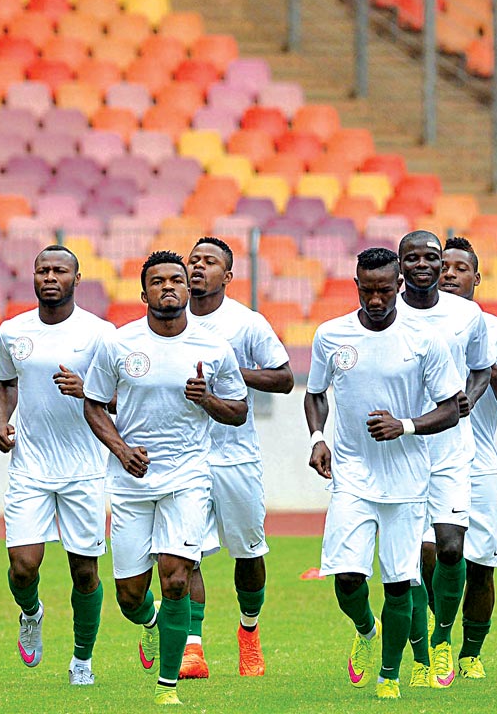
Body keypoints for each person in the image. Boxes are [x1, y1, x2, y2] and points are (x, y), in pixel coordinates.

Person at [83, 251, 248, 706]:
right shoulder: (119, 343)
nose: (169, 286)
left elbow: (239, 411)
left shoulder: (212, 347)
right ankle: (151, 625)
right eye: (158, 281)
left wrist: (208, 400)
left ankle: (168, 688)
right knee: (130, 596)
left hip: (188, 478)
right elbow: (94, 403)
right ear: (144, 293)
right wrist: (120, 450)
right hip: (131, 483)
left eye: (176, 279)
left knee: (176, 578)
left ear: (186, 288)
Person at [304, 247, 464, 700]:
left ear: (398, 287)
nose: (376, 300)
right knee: (348, 580)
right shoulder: (331, 335)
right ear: (356, 286)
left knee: (398, 583)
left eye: (383, 290)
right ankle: (365, 629)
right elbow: (315, 394)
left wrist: (405, 426)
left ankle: (389, 677)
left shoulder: (423, 339)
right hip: (352, 475)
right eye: (367, 290)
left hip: (409, 479)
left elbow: (451, 408)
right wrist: (318, 438)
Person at [0, 245, 114, 685]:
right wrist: (1, 422)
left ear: (76, 279)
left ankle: (82, 658)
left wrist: (87, 390)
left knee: (85, 572)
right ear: (33, 276)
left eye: (59, 270)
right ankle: (31, 612)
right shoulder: (12, 331)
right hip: (30, 466)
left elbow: (124, 399)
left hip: (84, 468)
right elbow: (5, 383)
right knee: (23, 565)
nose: (49, 277)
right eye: (42, 269)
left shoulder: (100, 334)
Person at [181, 237, 293, 679]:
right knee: (186, 552)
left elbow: (284, 378)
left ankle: (249, 633)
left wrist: (228, 369)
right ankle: (193, 647)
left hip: (235, 455)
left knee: (247, 554)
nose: (197, 267)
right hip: (184, 456)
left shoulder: (246, 324)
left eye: (209, 262)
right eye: (193, 260)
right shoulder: (168, 322)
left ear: (227, 277)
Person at [395, 230, 494, 689]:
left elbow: (481, 366)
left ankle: (441, 638)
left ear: (441, 264)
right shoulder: (383, 315)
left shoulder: (467, 314)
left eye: (431, 257)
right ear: (400, 266)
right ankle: (418, 657)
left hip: (453, 449)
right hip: (401, 451)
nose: (423, 264)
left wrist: (468, 400)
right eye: (411, 257)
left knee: (452, 548)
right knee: (410, 558)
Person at [438, 237, 497, 679]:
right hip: (423, 462)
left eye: (460, 268)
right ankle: (437, 641)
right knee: (428, 558)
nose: (450, 274)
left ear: (477, 277)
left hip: (478, 465)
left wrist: (485, 363)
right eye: (444, 266)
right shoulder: (414, 325)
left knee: (480, 566)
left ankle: (470, 652)